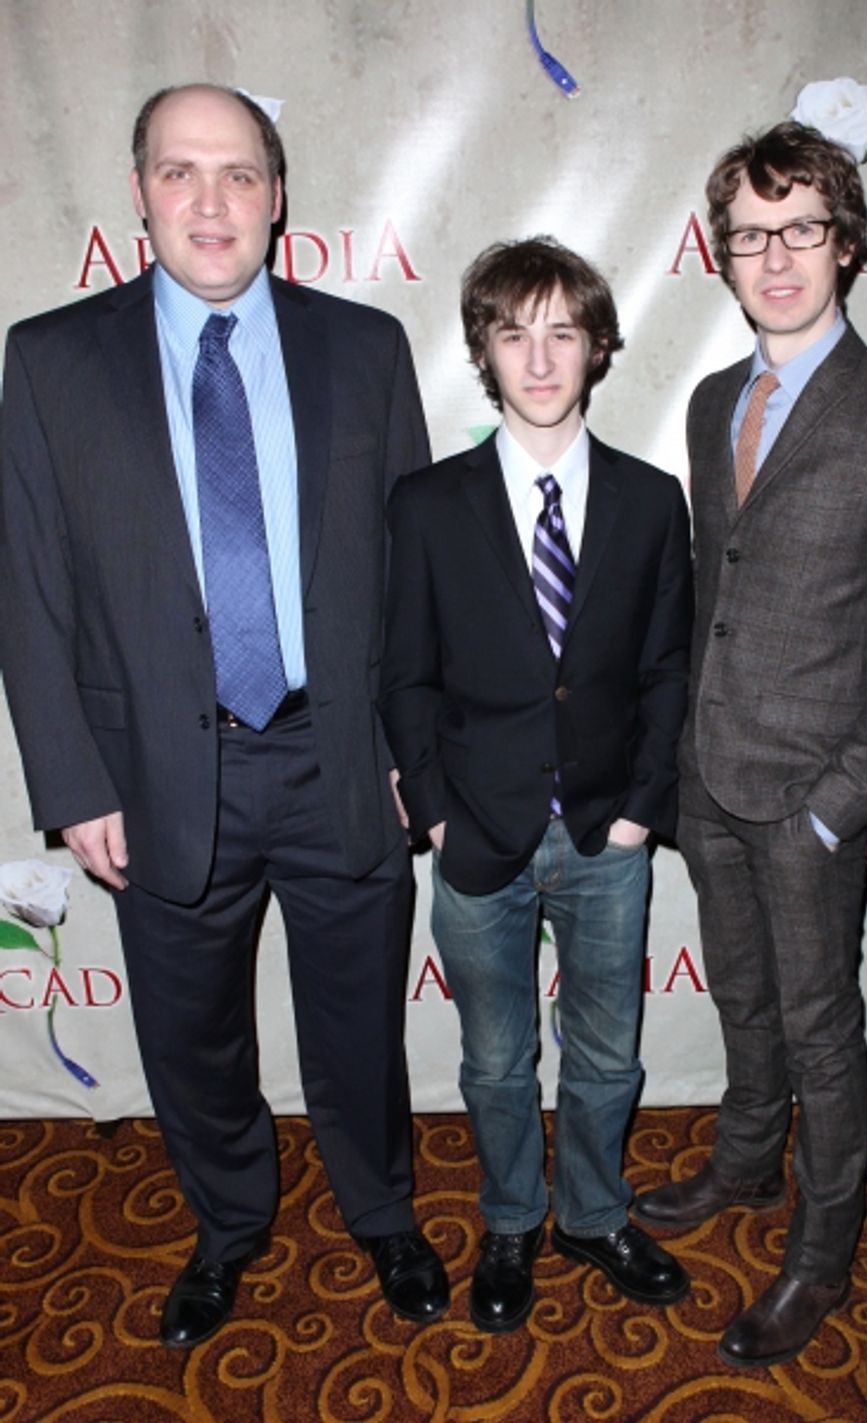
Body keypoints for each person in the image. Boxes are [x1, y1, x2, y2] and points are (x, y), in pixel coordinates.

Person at [0, 84, 447, 1348]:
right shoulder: (50, 357)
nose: (211, 202)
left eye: (240, 174)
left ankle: (384, 1215)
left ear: (278, 194)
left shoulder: (366, 350)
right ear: (138, 190)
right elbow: (27, 589)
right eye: (182, 172)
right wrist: (74, 780)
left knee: (360, 1019)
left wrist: (419, 752)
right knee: (190, 1038)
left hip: (344, 759)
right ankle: (230, 1224)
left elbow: (415, 578)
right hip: (152, 772)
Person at [632, 122, 867, 1368]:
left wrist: (845, 802)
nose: (776, 256)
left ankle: (822, 1251)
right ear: (723, 253)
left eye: (803, 227)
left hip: (814, 796)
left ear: (849, 241)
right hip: (709, 781)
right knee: (744, 994)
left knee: (825, 1026)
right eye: (752, 233)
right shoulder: (718, 401)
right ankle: (743, 1160)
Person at [380, 237, 693, 1334]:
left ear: (599, 346)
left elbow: (667, 670)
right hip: (476, 835)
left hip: (610, 830)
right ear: (484, 350)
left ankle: (593, 1214)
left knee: (608, 1049)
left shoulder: (654, 502)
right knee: (497, 1057)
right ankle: (513, 1216)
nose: (541, 355)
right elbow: (404, 673)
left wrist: (645, 809)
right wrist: (432, 810)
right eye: (515, 331)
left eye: (563, 330)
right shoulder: (426, 505)